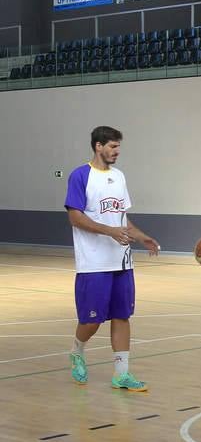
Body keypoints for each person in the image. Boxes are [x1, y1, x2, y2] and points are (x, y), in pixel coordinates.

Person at [64, 126, 160, 392]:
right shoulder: (80, 175)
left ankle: (122, 374)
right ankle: (77, 352)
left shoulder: (119, 177)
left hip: (122, 261)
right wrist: (110, 232)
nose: (117, 152)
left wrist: (141, 236)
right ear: (98, 146)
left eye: (118, 147)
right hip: (93, 263)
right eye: (113, 147)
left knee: (122, 316)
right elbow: (75, 217)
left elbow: (121, 218)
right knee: (92, 320)